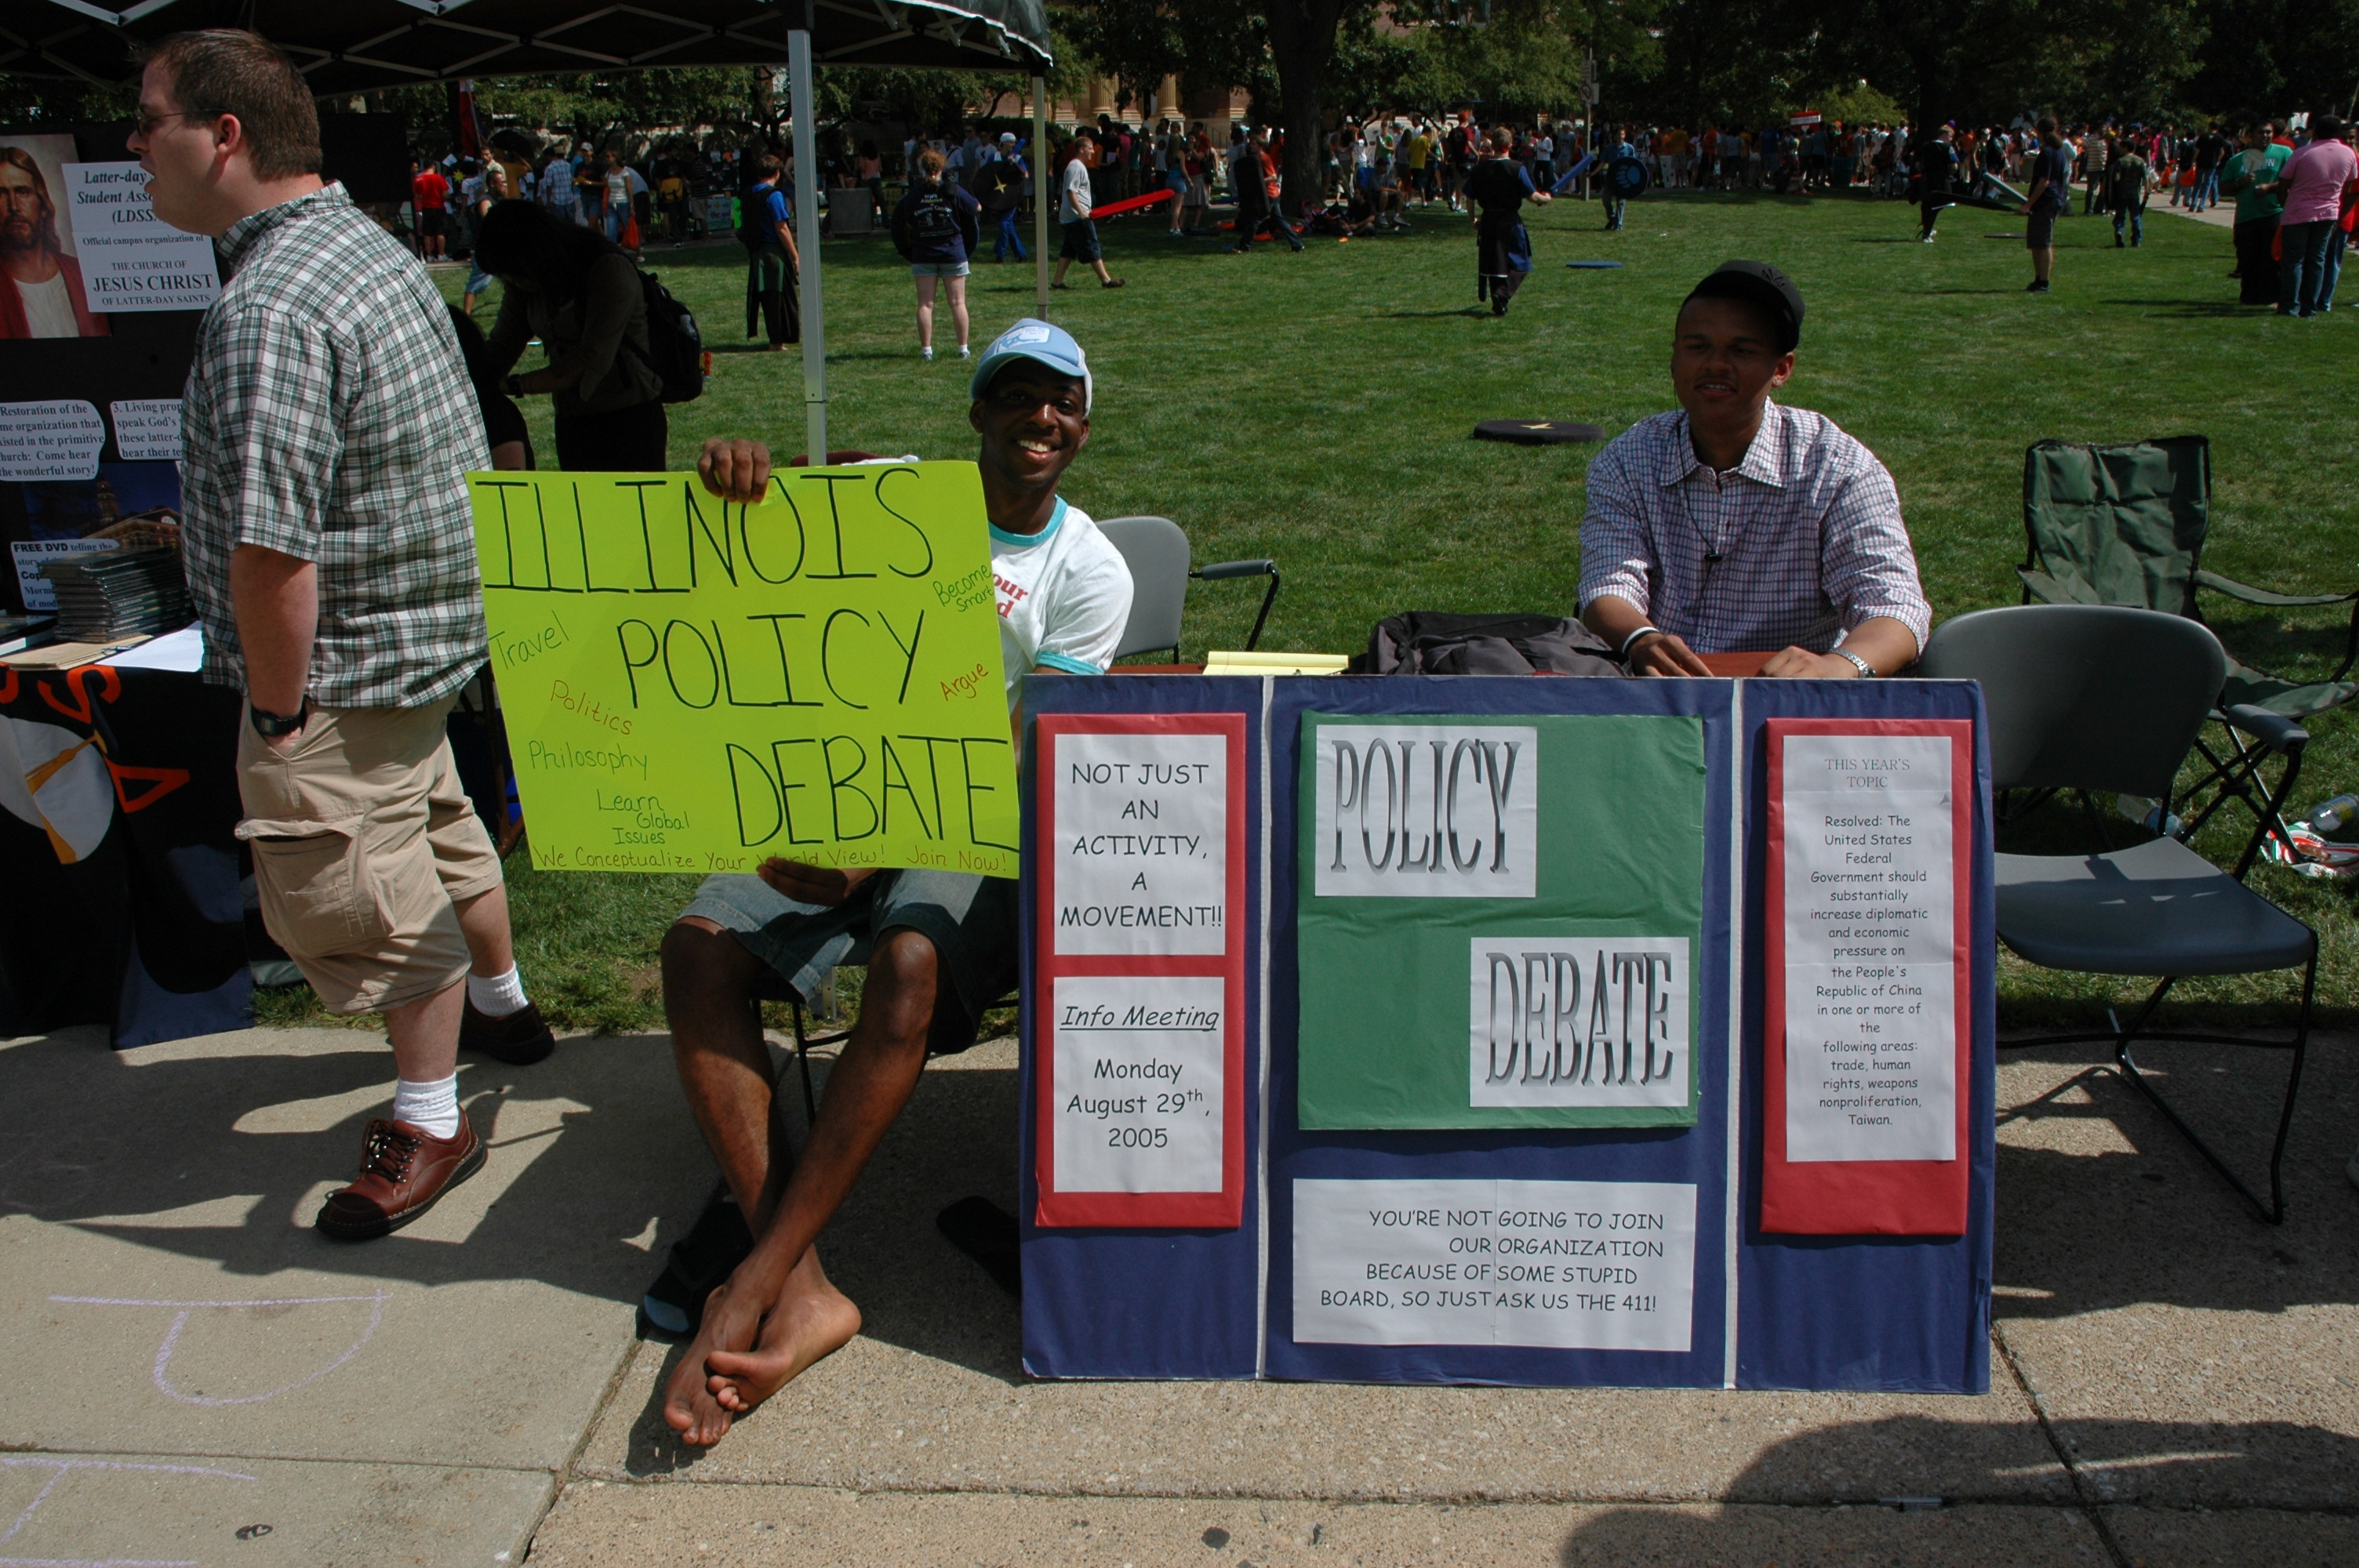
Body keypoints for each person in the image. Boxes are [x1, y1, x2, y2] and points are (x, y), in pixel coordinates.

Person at [655, 318, 1132, 1447]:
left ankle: (752, 1277)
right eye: (1016, 395)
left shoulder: (1088, 570)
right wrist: (738, 470)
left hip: (977, 823)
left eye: (1062, 401)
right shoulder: (899, 498)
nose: (1041, 417)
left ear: (1083, 424)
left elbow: (1023, 759)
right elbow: (775, 495)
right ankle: (804, 1283)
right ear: (977, 412)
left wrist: (874, 853)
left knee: (910, 960)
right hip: (836, 794)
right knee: (695, 947)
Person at [131, 27, 554, 1240]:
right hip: (421, 645)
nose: (134, 147)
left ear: (225, 136)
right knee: (442, 826)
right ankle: (507, 1005)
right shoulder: (364, 246)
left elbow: (273, 551)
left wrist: (277, 711)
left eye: (149, 121)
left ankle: (430, 1117)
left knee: (369, 892)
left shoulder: (270, 301)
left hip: (343, 663)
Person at [1578, 260, 1931, 681]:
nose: (1716, 364)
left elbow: (1895, 607)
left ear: (1781, 369)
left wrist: (1838, 666)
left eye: (1741, 351)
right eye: (1697, 347)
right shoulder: (1628, 458)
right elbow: (1606, 587)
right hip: (1660, 689)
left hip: (1789, 696)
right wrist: (1641, 640)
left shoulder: (1838, 468)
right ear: (1674, 360)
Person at [474, 201, 666, 471]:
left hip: (629, 417)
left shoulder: (608, 268)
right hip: (573, 418)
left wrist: (515, 385)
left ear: (533, 253)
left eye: (513, 272)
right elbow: (502, 346)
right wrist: (475, 380)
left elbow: (590, 360)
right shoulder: (527, 283)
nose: (513, 281)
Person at [0, 146, 108, 337]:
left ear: (42, 204)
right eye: (1, 194)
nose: (14, 206)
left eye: (23, 192)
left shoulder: (81, 274)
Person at [892, 147, 980, 362]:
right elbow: (977, 208)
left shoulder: (914, 195)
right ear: (942, 168)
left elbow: (900, 218)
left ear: (922, 170)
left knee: (925, 304)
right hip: (953, 253)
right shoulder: (954, 191)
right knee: (958, 303)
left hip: (924, 254)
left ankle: (927, 350)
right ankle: (963, 349)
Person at [2272, 116, 2356, 317]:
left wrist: (2284, 203)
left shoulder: (2303, 153)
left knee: (2294, 260)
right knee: (2317, 260)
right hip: (2328, 213)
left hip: (2299, 211)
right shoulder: (2348, 154)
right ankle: (2309, 307)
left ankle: (2290, 306)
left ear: (2316, 131)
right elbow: (2350, 185)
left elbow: (2283, 182)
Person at [1468, 125, 1550, 316]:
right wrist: (1546, 199)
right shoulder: (1517, 169)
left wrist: (1473, 220)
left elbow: (1469, 197)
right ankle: (1502, 294)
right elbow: (1532, 197)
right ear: (1510, 145)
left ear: (1492, 145)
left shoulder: (1479, 170)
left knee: (1495, 263)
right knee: (1521, 262)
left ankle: (1500, 301)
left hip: (1488, 220)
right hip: (1509, 221)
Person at [2218, 123, 2291, 305]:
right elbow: (2223, 189)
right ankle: (2249, 297)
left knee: (2271, 259)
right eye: (2261, 132)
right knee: (2248, 259)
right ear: (2250, 135)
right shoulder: (2237, 160)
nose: (2265, 136)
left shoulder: (2284, 153)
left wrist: (2270, 187)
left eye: (2268, 132)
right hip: (2246, 216)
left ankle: (2271, 297)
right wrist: (2239, 183)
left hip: (2273, 213)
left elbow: (2293, 180)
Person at [738, 152, 799, 349]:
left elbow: (741, 224)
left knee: (767, 299)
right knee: (779, 299)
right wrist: (795, 256)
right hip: (773, 253)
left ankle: (776, 339)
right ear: (777, 173)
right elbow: (781, 228)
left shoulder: (747, 194)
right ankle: (777, 342)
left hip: (757, 253)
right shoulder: (773, 195)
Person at [1052, 128, 1125, 288]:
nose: (1093, 152)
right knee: (1092, 245)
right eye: (1090, 148)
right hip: (1077, 216)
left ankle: (1057, 282)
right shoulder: (1076, 167)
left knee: (1068, 250)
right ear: (1082, 149)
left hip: (1072, 216)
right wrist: (1082, 213)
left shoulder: (1077, 166)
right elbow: (1071, 191)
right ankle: (1106, 280)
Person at [2023, 118, 2070, 294]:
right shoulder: (2058, 151)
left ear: (2039, 131)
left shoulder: (2048, 153)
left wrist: (2028, 205)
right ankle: (2038, 279)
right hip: (2051, 200)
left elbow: (2044, 181)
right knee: (2037, 242)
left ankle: (2044, 281)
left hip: (2046, 201)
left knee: (2043, 243)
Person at [460, 158, 510, 316]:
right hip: (484, 250)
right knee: (476, 283)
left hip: (494, 249)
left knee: (510, 278)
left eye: (506, 182)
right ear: (492, 184)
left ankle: (511, 309)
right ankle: (466, 315)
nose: (505, 185)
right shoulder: (485, 201)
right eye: (502, 183)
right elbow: (489, 221)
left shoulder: (497, 200)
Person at [975, 133, 1027, 262]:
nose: (1013, 145)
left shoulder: (1018, 158)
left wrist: (1015, 164)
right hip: (998, 197)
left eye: (1014, 142)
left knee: (1004, 224)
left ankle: (1000, 254)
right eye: (1011, 142)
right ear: (1003, 143)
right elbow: (987, 174)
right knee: (1008, 224)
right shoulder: (994, 157)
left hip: (1012, 196)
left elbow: (1025, 175)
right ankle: (1020, 254)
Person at [1914, 122, 1956, 241]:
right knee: (1938, 206)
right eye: (1950, 136)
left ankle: (1927, 228)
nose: (1951, 139)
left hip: (1926, 179)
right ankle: (1927, 233)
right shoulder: (1948, 148)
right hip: (1941, 181)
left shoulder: (1925, 146)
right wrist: (1948, 174)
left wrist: (1926, 172)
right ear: (1945, 135)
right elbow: (1954, 166)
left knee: (1926, 205)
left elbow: (1917, 165)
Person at [2106, 135, 2151, 248]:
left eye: (2121, 148)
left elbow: (2116, 178)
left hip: (2121, 193)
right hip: (2134, 194)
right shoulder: (2140, 162)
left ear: (2126, 148)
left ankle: (2119, 231)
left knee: (2120, 216)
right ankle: (2136, 239)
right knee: (2135, 216)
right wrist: (2146, 192)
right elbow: (2145, 178)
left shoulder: (2120, 162)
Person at [410, 156, 450, 259]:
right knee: (440, 232)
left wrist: (423, 202)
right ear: (433, 166)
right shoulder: (439, 178)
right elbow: (445, 194)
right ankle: (441, 255)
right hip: (438, 207)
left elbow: (417, 196)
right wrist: (442, 201)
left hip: (426, 208)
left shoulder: (418, 179)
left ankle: (429, 255)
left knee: (427, 233)